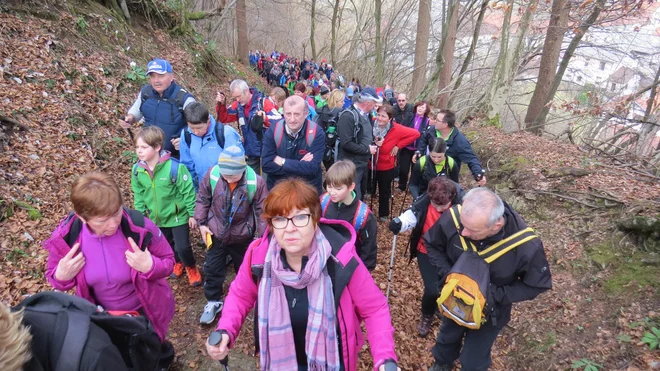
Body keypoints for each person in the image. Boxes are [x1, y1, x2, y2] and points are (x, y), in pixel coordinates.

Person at [205, 179, 400, 371]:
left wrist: (384, 358)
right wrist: (226, 330)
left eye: (299, 217)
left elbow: (374, 308)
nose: (289, 228)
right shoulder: (259, 256)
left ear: (315, 220)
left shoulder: (340, 257)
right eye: (280, 219)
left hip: (332, 362)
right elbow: (240, 295)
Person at [43, 171, 176, 365]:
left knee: (153, 347)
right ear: (82, 217)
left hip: (146, 309)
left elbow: (169, 261)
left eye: (116, 213)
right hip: (103, 316)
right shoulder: (67, 237)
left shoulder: (139, 226)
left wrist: (150, 266)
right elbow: (54, 277)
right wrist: (61, 276)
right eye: (102, 220)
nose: (113, 224)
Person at [424, 188, 552, 371]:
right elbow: (432, 244)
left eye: (472, 230)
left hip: (490, 311)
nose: (464, 233)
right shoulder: (455, 218)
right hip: (455, 298)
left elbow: (535, 285)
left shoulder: (526, 246)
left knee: (473, 359)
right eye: (463, 226)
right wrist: (449, 276)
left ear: (496, 226)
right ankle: (442, 363)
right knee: (447, 336)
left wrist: (493, 295)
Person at [194, 146, 268, 324]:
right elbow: (203, 198)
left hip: (242, 236)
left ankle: (248, 301)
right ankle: (213, 301)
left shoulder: (255, 183)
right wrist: (201, 223)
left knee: (245, 270)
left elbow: (263, 212)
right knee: (212, 268)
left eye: (232, 176)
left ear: (242, 170)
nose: (227, 179)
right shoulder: (213, 175)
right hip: (216, 232)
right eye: (225, 175)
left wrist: (262, 239)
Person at [388, 177, 462, 338]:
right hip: (425, 250)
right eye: (435, 205)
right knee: (432, 288)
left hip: (450, 252)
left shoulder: (461, 205)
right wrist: (399, 223)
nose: (439, 208)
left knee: (446, 283)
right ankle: (427, 314)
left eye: (443, 206)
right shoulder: (425, 203)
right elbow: (412, 215)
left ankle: (438, 305)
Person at [131, 126, 201, 286]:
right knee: (168, 245)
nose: (139, 151)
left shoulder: (175, 168)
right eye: (137, 147)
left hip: (178, 216)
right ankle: (178, 262)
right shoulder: (137, 170)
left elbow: (188, 192)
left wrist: (192, 213)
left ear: (157, 147)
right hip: (157, 217)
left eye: (144, 147)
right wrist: (140, 216)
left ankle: (191, 266)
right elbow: (139, 193)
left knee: (182, 246)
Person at [2, 299, 129, 371]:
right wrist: (61, 277)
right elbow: (55, 273)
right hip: (93, 304)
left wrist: (149, 270)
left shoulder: (92, 356)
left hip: (128, 314)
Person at [119, 59, 195, 155]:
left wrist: (184, 140)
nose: (156, 81)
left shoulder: (183, 98)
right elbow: (136, 112)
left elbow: (199, 126)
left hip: (176, 157)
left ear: (171, 77)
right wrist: (129, 118)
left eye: (161, 76)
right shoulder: (146, 93)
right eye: (152, 76)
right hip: (149, 154)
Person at [261, 96, 325, 194]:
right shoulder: (273, 131)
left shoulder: (317, 133)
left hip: (307, 190)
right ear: (283, 113)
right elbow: (266, 165)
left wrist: (282, 161)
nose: (292, 119)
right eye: (288, 114)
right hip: (279, 190)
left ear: (306, 113)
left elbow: (312, 168)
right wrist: (300, 164)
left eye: (296, 114)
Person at [322, 160, 378, 271]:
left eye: (338, 189)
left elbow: (369, 249)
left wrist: (364, 272)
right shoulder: (323, 201)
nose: (332, 192)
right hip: (324, 263)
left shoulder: (363, 216)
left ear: (351, 186)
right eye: (329, 186)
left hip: (349, 268)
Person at [216, 79, 277, 175]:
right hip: (250, 150)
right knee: (252, 181)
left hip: (267, 150)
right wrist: (222, 105)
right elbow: (224, 118)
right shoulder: (238, 106)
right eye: (235, 97)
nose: (237, 100)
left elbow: (278, 120)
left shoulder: (263, 102)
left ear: (246, 91)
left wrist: (265, 118)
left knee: (267, 182)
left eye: (239, 96)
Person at [371, 104, 420, 220]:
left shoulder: (396, 128)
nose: (380, 118)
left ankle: (383, 214)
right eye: (378, 115)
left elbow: (416, 134)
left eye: (383, 116)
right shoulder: (371, 123)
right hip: (371, 163)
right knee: (370, 188)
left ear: (390, 118)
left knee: (384, 191)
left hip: (386, 165)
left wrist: (398, 145)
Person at [179, 102, 243, 191]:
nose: (196, 132)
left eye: (199, 128)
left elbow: (236, 165)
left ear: (208, 120)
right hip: (201, 189)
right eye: (192, 128)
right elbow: (187, 166)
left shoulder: (226, 134)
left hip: (225, 188)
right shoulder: (186, 135)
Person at [416, 109, 487, 186]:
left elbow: (471, 159)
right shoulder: (431, 130)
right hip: (426, 174)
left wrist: (478, 173)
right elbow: (423, 139)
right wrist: (419, 152)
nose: (434, 121)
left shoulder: (460, 142)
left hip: (446, 180)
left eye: (437, 120)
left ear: (445, 125)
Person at [336, 87, 380, 200]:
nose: (375, 106)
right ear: (368, 103)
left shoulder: (367, 115)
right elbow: (346, 143)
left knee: (361, 192)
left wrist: (374, 140)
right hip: (350, 165)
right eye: (374, 103)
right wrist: (366, 150)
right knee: (353, 195)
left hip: (362, 163)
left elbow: (363, 135)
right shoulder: (348, 116)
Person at [397, 100, 430, 192]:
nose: (420, 108)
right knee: (403, 169)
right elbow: (402, 129)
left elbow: (426, 136)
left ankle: (412, 186)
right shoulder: (409, 116)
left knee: (415, 170)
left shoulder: (427, 121)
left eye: (423, 107)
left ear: (426, 110)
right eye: (419, 106)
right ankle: (401, 186)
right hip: (406, 147)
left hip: (418, 149)